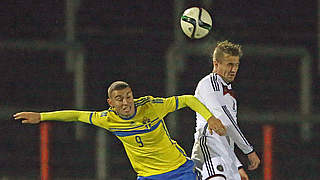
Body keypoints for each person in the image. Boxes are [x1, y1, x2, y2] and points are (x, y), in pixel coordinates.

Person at [13, 80, 226, 180]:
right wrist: (41, 117)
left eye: (128, 96)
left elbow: (188, 99)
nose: (126, 102)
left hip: (180, 170)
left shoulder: (151, 106)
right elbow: (76, 115)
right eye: (119, 99)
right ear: (110, 102)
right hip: (148, 176)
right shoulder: (108, 119)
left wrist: (210, 117)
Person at [191, 40, 261, 180]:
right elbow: (224, 120)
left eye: (236, 65)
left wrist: (236, 165)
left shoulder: (229, 96)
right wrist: (249, 150)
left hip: (225, 156)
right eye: (229, 64)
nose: (234, 69)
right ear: (216, 64)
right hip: (210, 151)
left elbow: (227, 134)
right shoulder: (210, 83)